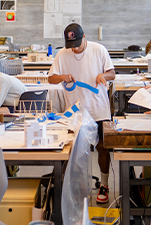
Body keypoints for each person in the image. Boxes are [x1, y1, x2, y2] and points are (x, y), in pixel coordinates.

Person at [48, 23, 115, 204]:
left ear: (84, 37)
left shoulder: (99, 50)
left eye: (77, 43)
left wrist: (103, 76)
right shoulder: (63, 54)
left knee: (102, 146)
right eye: (71, 45)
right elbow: (51, 78)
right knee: (75, 149)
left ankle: (104, 184)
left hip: (99, 108)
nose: (75, 48)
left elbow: (112, 73)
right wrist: (62, 77)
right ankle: (77, 186)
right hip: (76, 110)